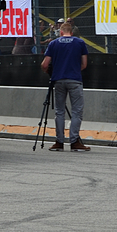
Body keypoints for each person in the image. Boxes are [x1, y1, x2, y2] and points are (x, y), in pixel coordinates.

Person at [40, 22, 90, 151]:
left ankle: (59, 142)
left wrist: (52, 72)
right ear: (71, 32)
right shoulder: (79, 43)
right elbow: (84, 64)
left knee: (59, 112)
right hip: (75, 80)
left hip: (58, 80)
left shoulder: (53, 43)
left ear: (61, 32)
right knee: (77, 112)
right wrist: (74, 71)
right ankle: (74, 142)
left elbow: (44, 65)